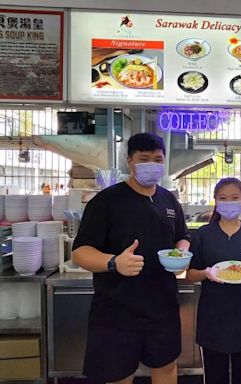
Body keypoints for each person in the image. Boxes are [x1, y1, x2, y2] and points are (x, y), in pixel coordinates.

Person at [72, 133, 190, 384]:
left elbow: (182, 235)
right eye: (144, 159)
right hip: (117, 310)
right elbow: (80, 251)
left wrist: (181, 251)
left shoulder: (169, 200)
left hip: (162, 307)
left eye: (157, 159)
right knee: (118, 376)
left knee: (167, 368)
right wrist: (114, 262)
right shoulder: (107, 200)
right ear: (130, 161)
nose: (152, 165)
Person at [186, 178, 241, 384]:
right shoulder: (203, 234)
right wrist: (205, 273)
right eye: (223, 198)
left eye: (234, 197)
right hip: (213, 319)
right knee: (214, 377)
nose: (229, 202)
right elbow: (190, 274)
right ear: (215, 201)